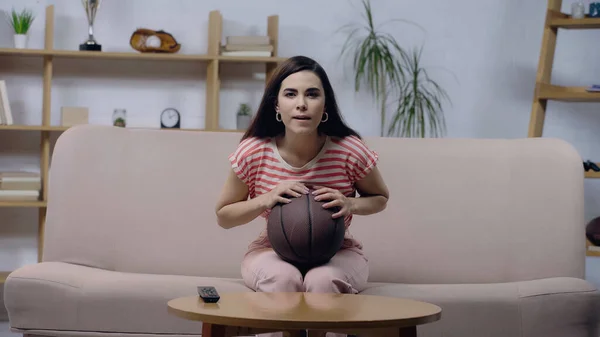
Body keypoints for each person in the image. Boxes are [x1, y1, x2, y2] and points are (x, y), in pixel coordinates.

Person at [214, 55, 389, 337]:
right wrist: (267, 198)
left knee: (324, 280)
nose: (302, 104)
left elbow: (380, 197)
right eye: (291, 94)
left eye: (312, 94)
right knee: (283, 279)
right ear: (277, 105)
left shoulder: (349, 150)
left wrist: (350, 203)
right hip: (270, 250)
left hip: (338, 250)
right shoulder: (254, 151)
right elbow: (224, 215)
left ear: (325, 105)